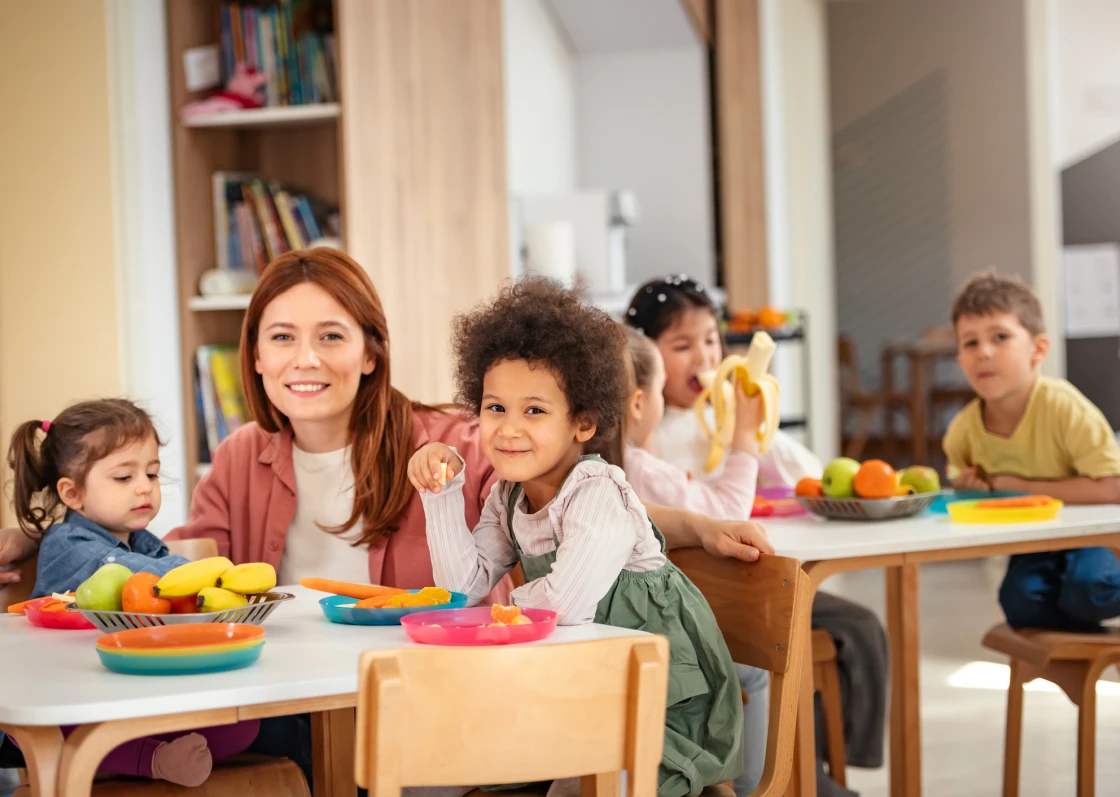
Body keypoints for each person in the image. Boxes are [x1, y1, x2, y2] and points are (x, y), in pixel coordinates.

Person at [0, 250, 775, 786]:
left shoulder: (451, 441)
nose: (306, 359)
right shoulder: (241, 455)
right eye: (282, 338)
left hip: (413, 708)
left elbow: (578, 497)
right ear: (258, 361)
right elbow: (180, 568)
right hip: (287, 703)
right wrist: (44, 545)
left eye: (331, 336)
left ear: (371, 351)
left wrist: (692, 526)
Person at [410, 277, 742, 797]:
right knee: (441, 766)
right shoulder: (509, 496)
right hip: (580, 692)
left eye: (534, 410)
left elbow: (563, 607)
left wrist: (487, 629)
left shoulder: (595, 492)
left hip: (656, 707)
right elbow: (465, 585)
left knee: (572, 786)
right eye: (496, 407)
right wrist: (442, 493)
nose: (509, 428)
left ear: (583, 422)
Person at [626, 276, 889, 794]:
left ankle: (831, 770)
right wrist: (741, 437)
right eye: (681, 346)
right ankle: (797, 780)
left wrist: (755, 419)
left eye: (710, 340)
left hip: (756, 571)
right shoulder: (646, 437)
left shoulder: (722, 416)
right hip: (713, 590)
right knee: (780, 650)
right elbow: (708, 505)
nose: (702, 356)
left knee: (858, 627)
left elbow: (805, 477)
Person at [5, 399, 259, 787]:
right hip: (70, 693)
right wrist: (214, 577)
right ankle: (151, 760)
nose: (144, 487)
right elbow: (141, 575)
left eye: (152, 474)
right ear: (72, 494)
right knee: (56, 729)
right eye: (124, 478)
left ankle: (125, 760)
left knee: (245, 726)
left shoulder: (144, 542)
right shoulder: (69, 544)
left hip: (126, 686)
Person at [944, 271, 1120, 629]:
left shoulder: (1064, 407)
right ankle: (1082, 657)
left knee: (1090, 588)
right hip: (1039, 541)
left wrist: (1020, 485)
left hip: (1096, 535)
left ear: (1038, 349)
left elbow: (1112, 489)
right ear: (961, 359)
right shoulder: (963, 430)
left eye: (1000, 337)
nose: (984, 352)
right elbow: (960, 489)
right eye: (970, 343)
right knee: (1018, 602)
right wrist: (970, 489)